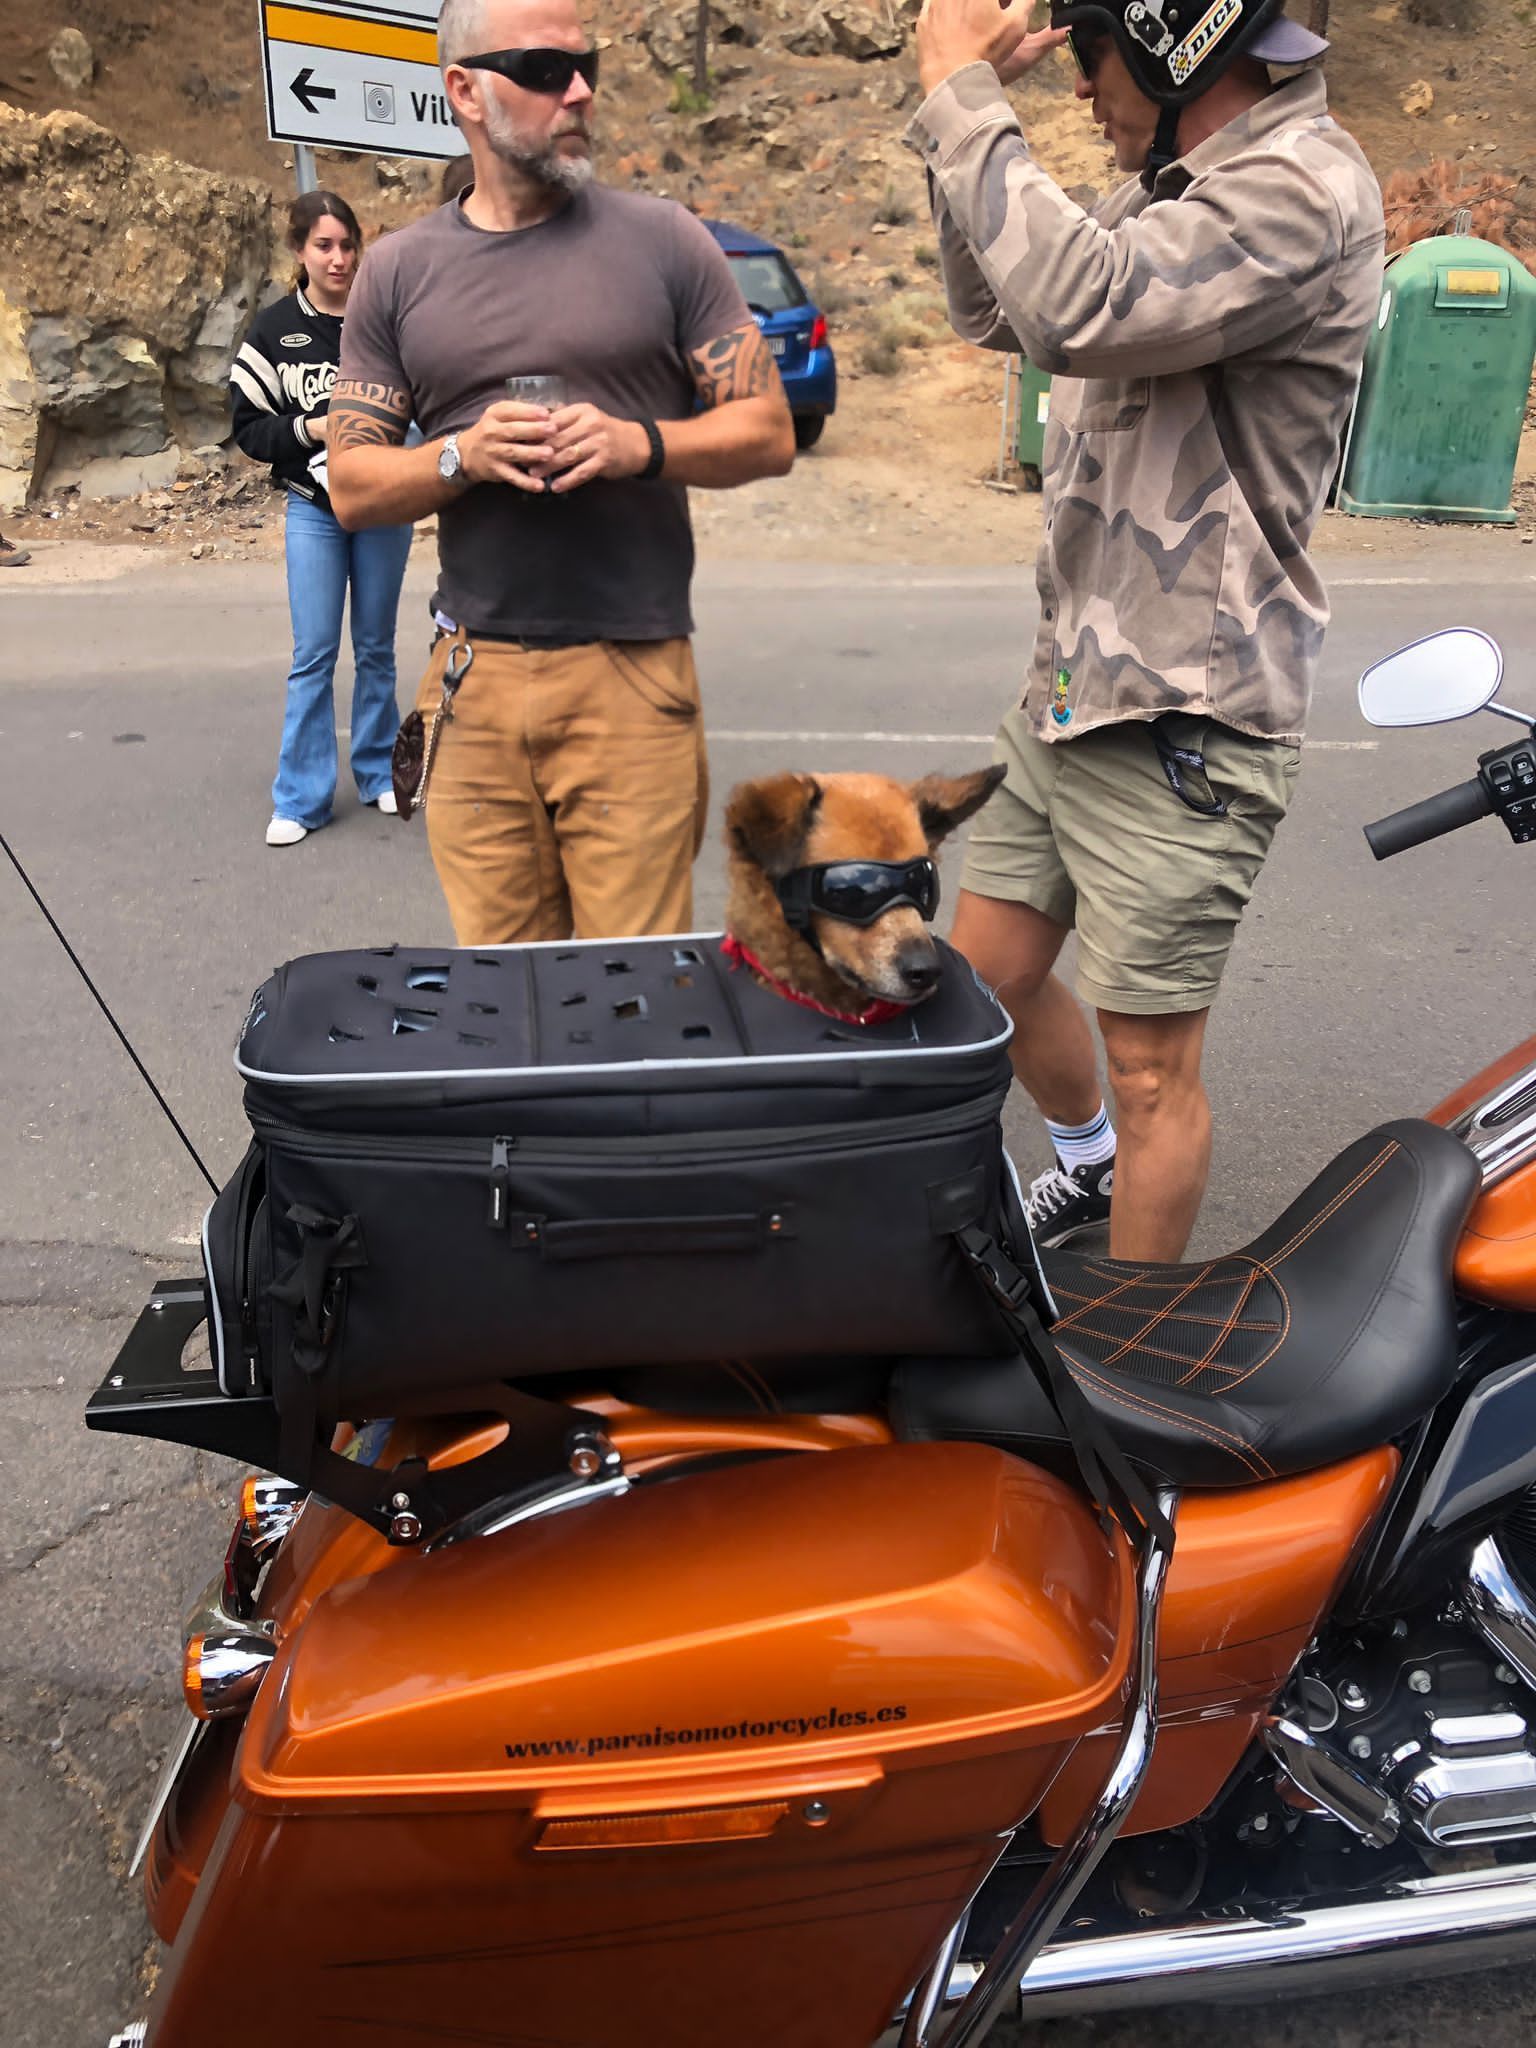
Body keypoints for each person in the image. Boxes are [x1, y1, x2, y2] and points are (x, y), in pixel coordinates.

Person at [908, 0, 1384, 1260]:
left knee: (1156, 1069)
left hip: (1186, 711)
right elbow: (1003, 310)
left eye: (1092, 55)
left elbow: (1080, 306)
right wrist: (948, 120)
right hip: (1074, 687)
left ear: (1187, 48)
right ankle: (1087, 1164)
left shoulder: (1298, 192)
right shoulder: (1183, 189)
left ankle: (1130, 1383)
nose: (1079, 89)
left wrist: (966, 99)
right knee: (981, 983)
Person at [327, 0, 794, 946]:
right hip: (474, 679)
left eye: (589, 66)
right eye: (543, 68)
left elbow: (769, 430)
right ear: (464, 89)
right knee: (503, 1003)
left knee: (630, 1000)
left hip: (631, 674)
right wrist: (463, 457)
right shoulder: (398, 271)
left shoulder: (664, 240)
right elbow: (352, 484)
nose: (578, 90)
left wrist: (639, 445)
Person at [230, 191, 415, 848]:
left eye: (347, 245)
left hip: (384, 507)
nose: (338, 259)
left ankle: (377, 774)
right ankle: (301, 797)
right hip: (313, 510)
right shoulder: (275, 330)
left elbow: (418, 405)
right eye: (323, 246)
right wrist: (312, 425)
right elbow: (248, 428)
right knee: (313, 653)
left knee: (376, 648)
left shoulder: (383, 319)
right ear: (299, 250)